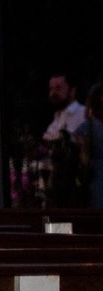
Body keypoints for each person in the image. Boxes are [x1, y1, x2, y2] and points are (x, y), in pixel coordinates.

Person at [40, 73, 96, 208]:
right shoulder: (57, 118)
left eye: (58, 88)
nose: (53, 93)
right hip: (56, 191)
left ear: (72, 91)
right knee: (55, 226)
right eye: (51, 89)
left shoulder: (82, 114)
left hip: (75, 192)